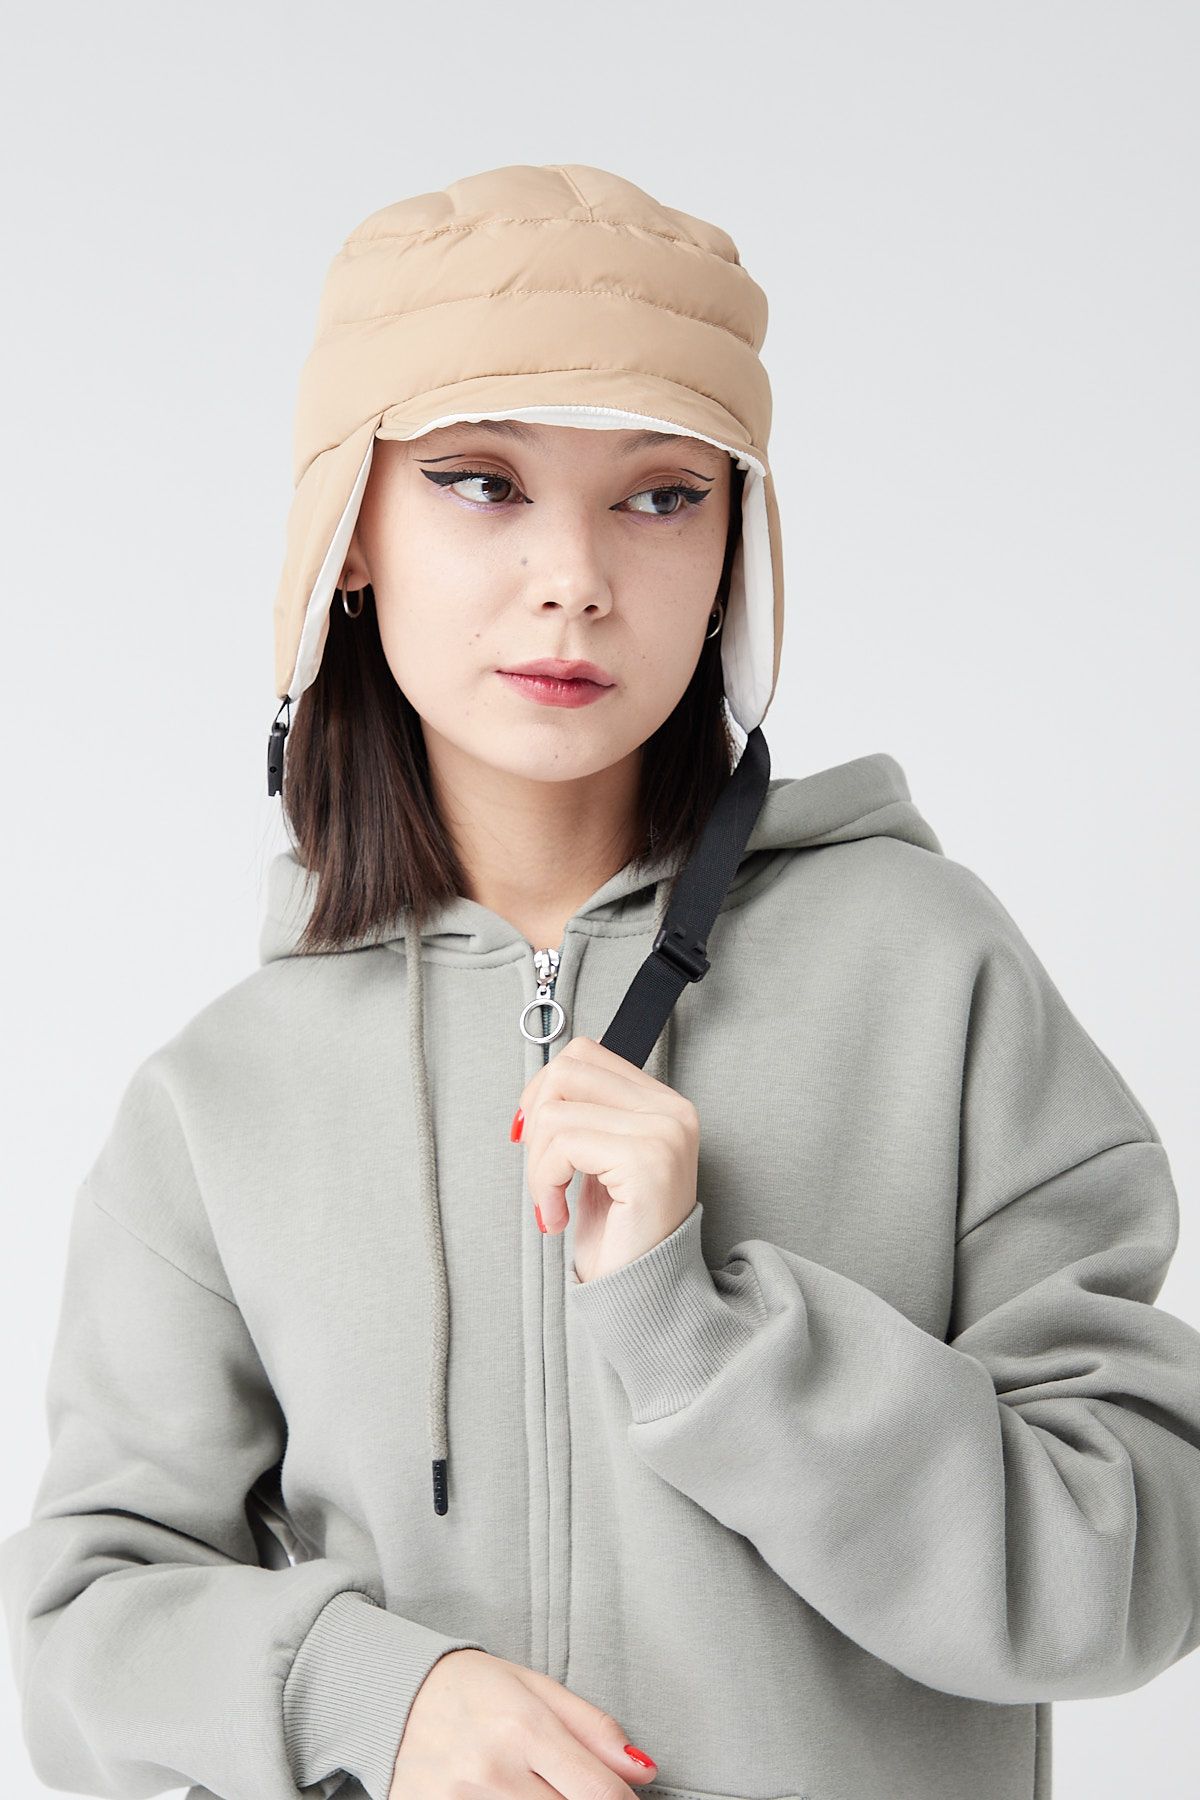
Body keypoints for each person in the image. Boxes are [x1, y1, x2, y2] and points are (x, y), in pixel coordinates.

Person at [2, 161, 1199, 1800]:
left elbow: (1132, 1563)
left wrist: (703, 1336)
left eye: (660, 495)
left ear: (733, 552)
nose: (574, 574)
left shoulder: (929, 974)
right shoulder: (223, 1098)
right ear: (349, 534)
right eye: (481, 482)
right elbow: (83, 1633)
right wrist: (367, 1694)